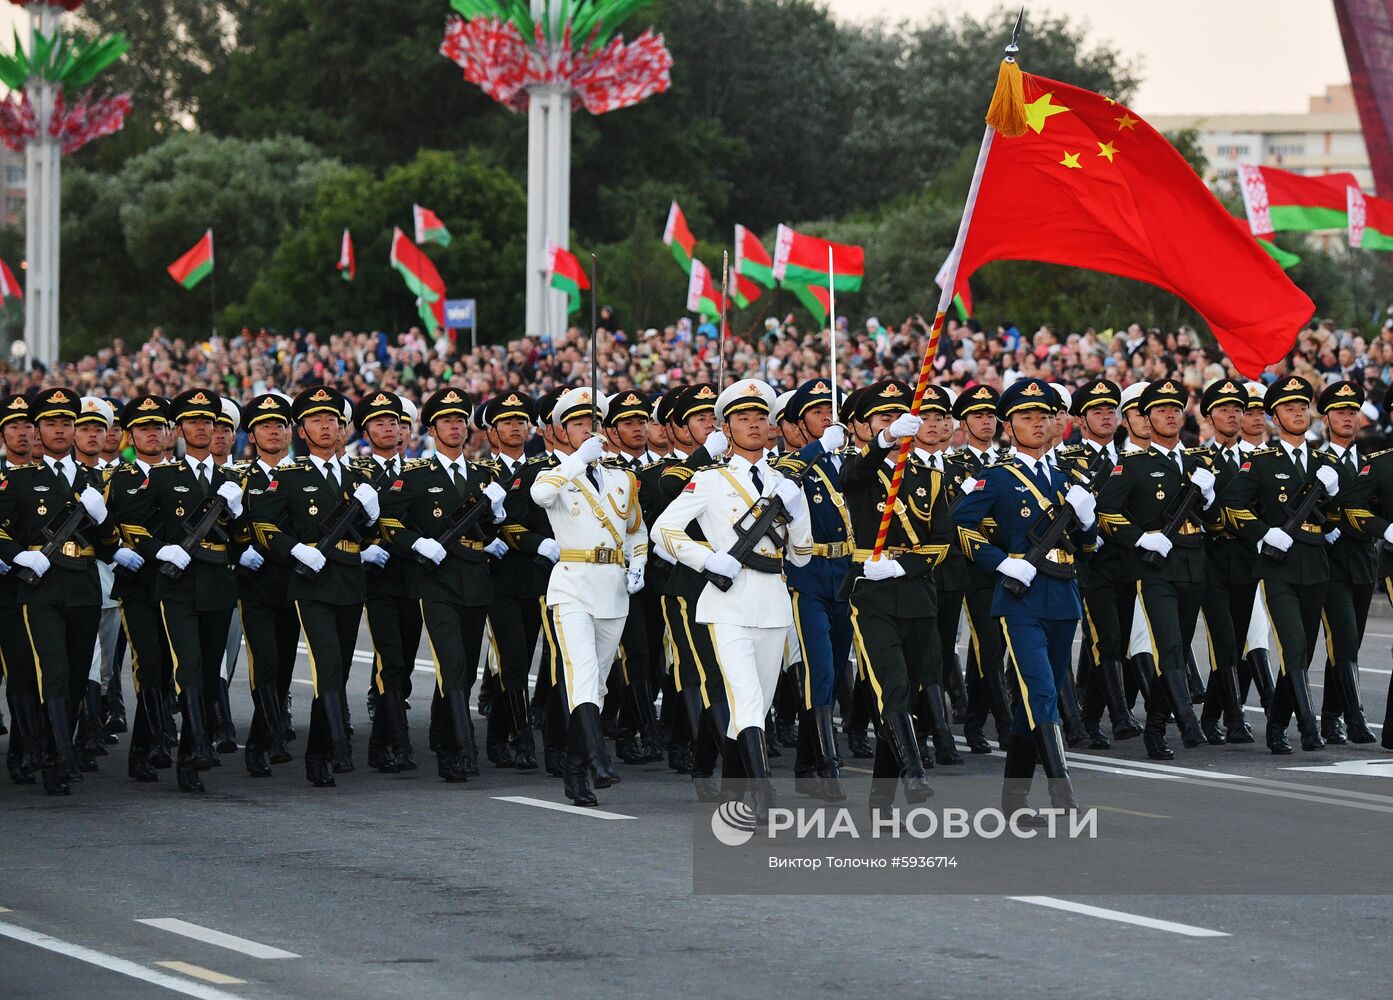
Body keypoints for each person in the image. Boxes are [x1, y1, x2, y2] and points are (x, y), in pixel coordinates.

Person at [654, 378, 812, 822]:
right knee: (742, 695)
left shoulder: (785, 482)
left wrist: (798, 517)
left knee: (757, 703)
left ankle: (732, 788)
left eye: (761, 417)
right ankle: (762, 793)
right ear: (726, 428)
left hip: (773, 601)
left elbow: (800, 556)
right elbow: (662, 531)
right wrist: (706, 559)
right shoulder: (708, 481)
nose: (755, 425)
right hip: (728, 602)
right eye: (744, 418)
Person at [953, 377, 1095, 818]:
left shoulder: (1064, 478)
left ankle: (1013, 797)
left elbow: (1086, 546)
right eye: (1025, 417)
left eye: (1043, 416)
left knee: (1039, 696)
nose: (1036, 424)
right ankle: (1060, 785)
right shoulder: (994, 477)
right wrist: (1000, 562)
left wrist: (1088, 522)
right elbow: (961, 526)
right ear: (1009, 426)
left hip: (1062, 592)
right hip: (1021, 596)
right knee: (1041, 689)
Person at [249, 386, 382, 786]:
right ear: (302, 432)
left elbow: (373, 533)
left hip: (348, 579)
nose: (326, 427)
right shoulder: (289, 477)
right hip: (309, 582)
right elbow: (263, 527)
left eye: (333, 421)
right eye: (316, 421)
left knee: (339, 669)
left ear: (344, 430)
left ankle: (317, 752)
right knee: (326, 664)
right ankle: (337, 747)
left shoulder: (362, 475)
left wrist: (373, 519)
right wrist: (297, 552)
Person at [118, 388, 247, 793]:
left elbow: (244, 539)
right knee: (187, 665)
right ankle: (194, 751)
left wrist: (239, 511)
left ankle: (191, 750)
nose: (202, 427)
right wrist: (161, 549)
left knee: (211, 671)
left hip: (218, 585)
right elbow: (132, 525)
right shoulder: (163, 476)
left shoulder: (231, 479)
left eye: (208, 421)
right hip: (175, 586)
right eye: (193, 421)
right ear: (179, 429)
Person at [379, 387, 506, 783]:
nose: (454, 426)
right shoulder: (414, 476)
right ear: (431, 429)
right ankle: (458, 752)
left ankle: (442, 730)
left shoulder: (484, 476)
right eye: (446, 421)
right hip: (436, 580)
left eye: (459, 421)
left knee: (466, 668)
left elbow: (490, 528)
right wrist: (417, 543)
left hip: (475, 578)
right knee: (450, 664)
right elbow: (388, 522)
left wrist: (497, 516)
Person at [840, 379, 953, 818]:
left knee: (914, 691)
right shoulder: (861, 470)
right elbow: (851, 477)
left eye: (897, 417)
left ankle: (881, 798)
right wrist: (884, 441)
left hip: (917, 590)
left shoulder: (930, 476)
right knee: (893, 686)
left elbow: (942, 540)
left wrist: (906, 566)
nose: (892, 424)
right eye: (882, 419)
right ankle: (915, 775)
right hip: (870, 593)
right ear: (867, 427)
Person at [530, 386, 647, 807]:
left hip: (613, 588)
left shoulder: (621, 477)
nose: (588, 431)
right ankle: (599, 760)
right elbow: (540, 496)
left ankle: (575, 769)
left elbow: (636, 529)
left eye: (593, 424)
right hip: (573, 585)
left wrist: (638, 563)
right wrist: (577, 461)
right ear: (562, 431)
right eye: (579, 424)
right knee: (580, 672)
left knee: (595, 685)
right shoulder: (556, 473)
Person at [1217, 376, 1341, 754]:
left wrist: (1333, 498)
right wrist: (1263, 532)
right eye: (1289, 407)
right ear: (1275, 416)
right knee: (1293, 644)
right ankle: (1308, 728)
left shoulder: (1325, 462)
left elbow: (1335, 519)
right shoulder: (1261, 463)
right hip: (1279, 567)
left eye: (1303, 406)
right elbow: (1231, 505)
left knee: (1303, 652)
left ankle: (1275, 725)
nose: (1299, 412)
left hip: (1315, 563)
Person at [0, 388, 113, 795]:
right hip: (40, 589)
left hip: (83, 585)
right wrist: (17, 556)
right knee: (55, 672)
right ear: (38, 431)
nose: (61, 430)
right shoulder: (19, 480)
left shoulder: (95, 478)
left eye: (67, 423)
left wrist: (101, 521)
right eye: (51, 423)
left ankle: (52, 748)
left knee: (77, 675)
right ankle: (59, 758)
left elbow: (112, 544)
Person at [1095, 379, 1215, 759]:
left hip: (1194, 564)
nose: (1170, 415)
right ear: (1146, 418)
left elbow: (1218, 518)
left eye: (1176, 409)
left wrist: (1210, 496)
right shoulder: (1131, 466)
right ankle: (1187, 723)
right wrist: (1140, 538)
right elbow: (1106, 514)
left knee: (1178, 646)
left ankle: (1156, 728)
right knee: (1170, 647)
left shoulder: (1201, 461)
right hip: (1155, 568)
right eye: (1161, 410)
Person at [771, 379, 853, 801]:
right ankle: (827, 763)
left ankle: (806, 762)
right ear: (799, 425)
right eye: (818, 413)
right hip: (807, 575)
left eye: (831, 412)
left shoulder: (846, 462)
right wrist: (818, 448)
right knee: (817, 669)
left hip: (847, 574)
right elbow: (779, 486)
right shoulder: (787, 463)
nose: (827, 418)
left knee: (836, 672)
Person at [1059, 377, 1141, 748]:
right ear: (1080, 420)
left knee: (1117, 639)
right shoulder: (1068, 460)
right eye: (1098, 411)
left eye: (1112, 410)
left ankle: (1089, 717)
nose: (1107, 417)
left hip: (1128, 560)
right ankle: (1120, 715)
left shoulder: (1131, 458)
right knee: (1104, 636)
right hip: (1090, 561)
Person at [106, 394, 175, 783]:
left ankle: (155, 737)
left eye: (158, 427)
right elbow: (111, 527)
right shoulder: (118, 479)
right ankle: (150, 745)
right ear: (131, 435)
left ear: (168, 433)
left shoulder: (183, 476)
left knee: (170, 666)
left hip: (179, 586)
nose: (152, 434)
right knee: (150, 663)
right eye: (144, 428)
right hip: (139, 586)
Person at [235, 392, 301, 778]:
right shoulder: (239, 479)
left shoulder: (305, 475)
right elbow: (227, 527)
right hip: (256, 583)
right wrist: (240, 549)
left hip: (294, 581)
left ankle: (262, 738)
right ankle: (271, 738)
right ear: (252, 436)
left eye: (280, 425)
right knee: (266, 661)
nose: (273, 431)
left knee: (286, 665)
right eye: (265, 426)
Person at [1192, 378, 1259, 746]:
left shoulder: (1254, 460)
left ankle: (1210, 716)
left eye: (1238, 409)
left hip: (1246, 559)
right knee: (1224, 640)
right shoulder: (1198, 459)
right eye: (1224, 409)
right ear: (1209, 416)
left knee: (1237, 638)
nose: (1232, 415)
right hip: (1212, 558)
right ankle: (1234, 717)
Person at [477, 391, 541, 771]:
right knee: (512, 660)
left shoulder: (542, 470)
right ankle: (522, 738)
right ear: (491, 432)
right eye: (506, 423)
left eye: (520, 421)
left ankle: (497, 736)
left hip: (534, 576)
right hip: (498, 580)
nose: (515, 428)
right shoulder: (481, 473)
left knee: (518, 660)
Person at [1313, 380, 1378, 745]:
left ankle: (1331, 717)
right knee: (1345, 638)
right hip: (1330, 563)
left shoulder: (1370, 463)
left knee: (1346, 645)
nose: (1348, 418)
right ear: (1326, 419)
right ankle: (1355, 719)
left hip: (1364, 562)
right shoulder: (1315, 461)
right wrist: (1326, 528)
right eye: (1340, 412)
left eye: (1353, 411)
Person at [949, 384, 1011, 754]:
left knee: (992, 647)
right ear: (964, 422)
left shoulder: (1008, 461)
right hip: (974, 565)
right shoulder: (955, 465)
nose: (986, 422)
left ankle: (974, 719)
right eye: (978, 416)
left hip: (1014, 562)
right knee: (989, 645)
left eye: (990, 415)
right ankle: (1002, 723)